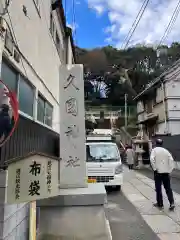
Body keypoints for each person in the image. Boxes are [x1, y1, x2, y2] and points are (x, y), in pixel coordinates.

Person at [150, 138, 175, 211]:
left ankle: (160, 204)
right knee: (168, 188)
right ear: (162, 144)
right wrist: (169, 170)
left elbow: (152, 159)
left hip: (158, 173)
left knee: (158, 189)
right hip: (166, 173)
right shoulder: (166, 151)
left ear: (156, 143)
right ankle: (172, 203)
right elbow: (171, 160)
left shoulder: (154, 150)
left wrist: (155, 168)